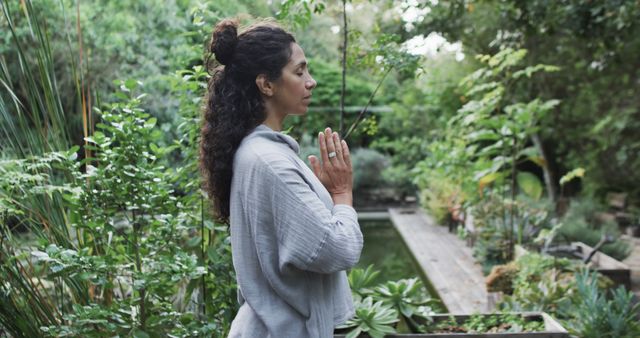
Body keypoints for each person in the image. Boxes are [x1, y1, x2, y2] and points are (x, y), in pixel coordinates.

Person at [199, 18, 364, 338]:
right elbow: (338, 250)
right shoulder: (269, 161)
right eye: (299, 71)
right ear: (267, 84)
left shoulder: (259, 153)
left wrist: (327, 197)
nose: (311, 81)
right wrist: (343, 196)